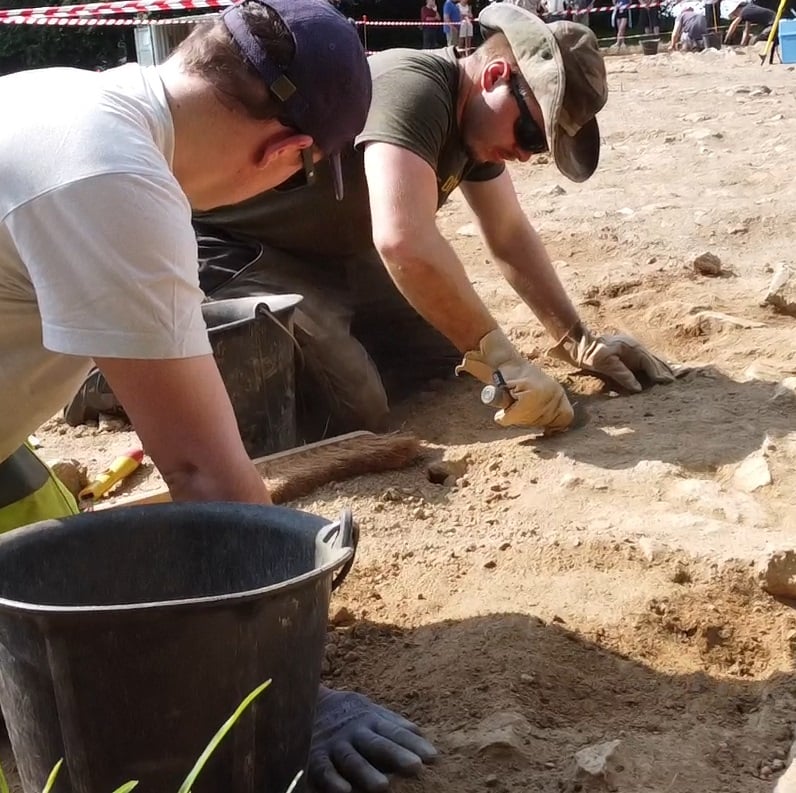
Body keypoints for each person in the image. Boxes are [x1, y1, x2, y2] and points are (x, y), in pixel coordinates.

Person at [0, 1, 437, 791]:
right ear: (286, 150)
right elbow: (204, 475)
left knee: (55, 560)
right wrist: (297, 696)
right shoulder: (116, 180)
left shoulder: (72, 97)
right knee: (59, 680)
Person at [187, 5, 674, 441]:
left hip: (325, 257)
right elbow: (403, 243)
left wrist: (576, 339)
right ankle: (130, 368)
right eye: (531, 131)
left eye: (542, 145)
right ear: (495, 75)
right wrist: (504, 362)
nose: (528, 153)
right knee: (353, 405)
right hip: (231, 246)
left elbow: (508, 234)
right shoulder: (417, 85)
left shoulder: (473, 128)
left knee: (440, 362)